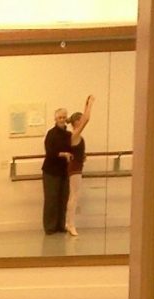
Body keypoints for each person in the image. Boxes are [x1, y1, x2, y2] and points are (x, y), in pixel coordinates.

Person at [65, 96, 95, 236]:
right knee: (74, 196)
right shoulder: (74, 134)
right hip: (75, 167)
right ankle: (70, 224)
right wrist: (90, 104)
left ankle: (69, 223)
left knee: (74, 195)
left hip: (76, 166)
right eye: (80, 120)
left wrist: (85, 105)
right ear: (77, 122)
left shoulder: (76, 135)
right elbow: (87, 119)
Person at [42, 108, 72, 234]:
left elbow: (74, 149)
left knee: (63, 198)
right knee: (51, 199)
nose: (62, 120)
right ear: (55, 119)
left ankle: (61, 225)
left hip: (65, 172)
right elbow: (50, 152)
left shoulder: (69, 135)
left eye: (64, 117)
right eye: (60, 117)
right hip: (50, 172)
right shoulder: (51, 134)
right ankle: (49, 227)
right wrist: (63, 154)